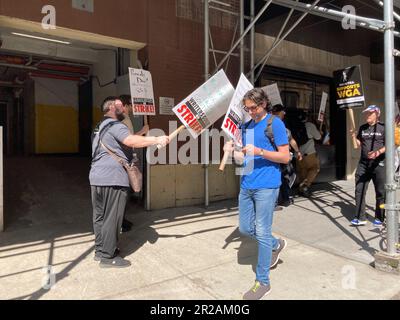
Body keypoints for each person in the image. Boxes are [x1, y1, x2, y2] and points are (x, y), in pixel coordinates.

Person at [224, 88, 290, 300]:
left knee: (261, 231)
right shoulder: (246, 126)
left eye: (254, 107)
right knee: (245, 227)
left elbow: (285, 157)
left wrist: (260, 151)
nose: (250, 111)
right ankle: (275, 244)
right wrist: (231, 149)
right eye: (247, 108)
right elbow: (243, 158)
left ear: (263, 104)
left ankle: (263, 282)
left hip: (267, 185)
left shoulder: (275, 124)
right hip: (246, 183)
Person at [89, 96, 169, 268]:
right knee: (112, 218)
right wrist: (157, 139)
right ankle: (108, 257)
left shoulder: (98, 127)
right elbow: (130, 140)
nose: (124, 108)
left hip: (96, 177)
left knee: (100, 217)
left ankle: (100, 250)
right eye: (120, 105)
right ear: (111, 107)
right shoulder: (115, 125)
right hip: (113, 178)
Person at [350, 105, 385, 227]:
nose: (367, 116)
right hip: (363, 164)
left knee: (380, 192)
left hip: (379, 164)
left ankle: (380, 218)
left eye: (370, 113)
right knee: (359, 190)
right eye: (366, 114)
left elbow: (390, 145)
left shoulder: (383, 128)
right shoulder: (363, 128)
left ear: (377, 114)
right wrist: (354, 137)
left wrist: (378, 152)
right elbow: (357, 145)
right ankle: (360, 217)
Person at [118, 95, 150, 232]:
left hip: (126, 159)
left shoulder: (126, 119)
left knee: (127, 192)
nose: (132, 107)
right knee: (124, 193)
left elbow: (129, 138)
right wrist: (143, 132)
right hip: (124, 161)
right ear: (125, 106)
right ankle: (119, 221)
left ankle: (122, 219)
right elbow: (127, 141)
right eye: (130, 105)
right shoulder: (123, 120)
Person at [271, 104, 303, 208]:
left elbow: (291, 139)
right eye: (282, 111)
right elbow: (291, 139)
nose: (284, 113)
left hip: (276, 157)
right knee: (283, 177)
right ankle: (278, 201)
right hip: (277, 157)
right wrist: (297, 152)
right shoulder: (276, 125)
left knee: (284, 177)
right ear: (278, 112)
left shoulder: (273, 124)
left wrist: (297, 151)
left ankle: (283, 199)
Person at [296, 111, 322, 197]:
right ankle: (305, 186)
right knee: (315, 168)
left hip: (298, 154)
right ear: (306, 118)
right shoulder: (310, 125)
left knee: (302, 172)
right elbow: (318, 137)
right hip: (309, 153)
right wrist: (319, 131)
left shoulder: (294, 126)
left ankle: (301, 190)